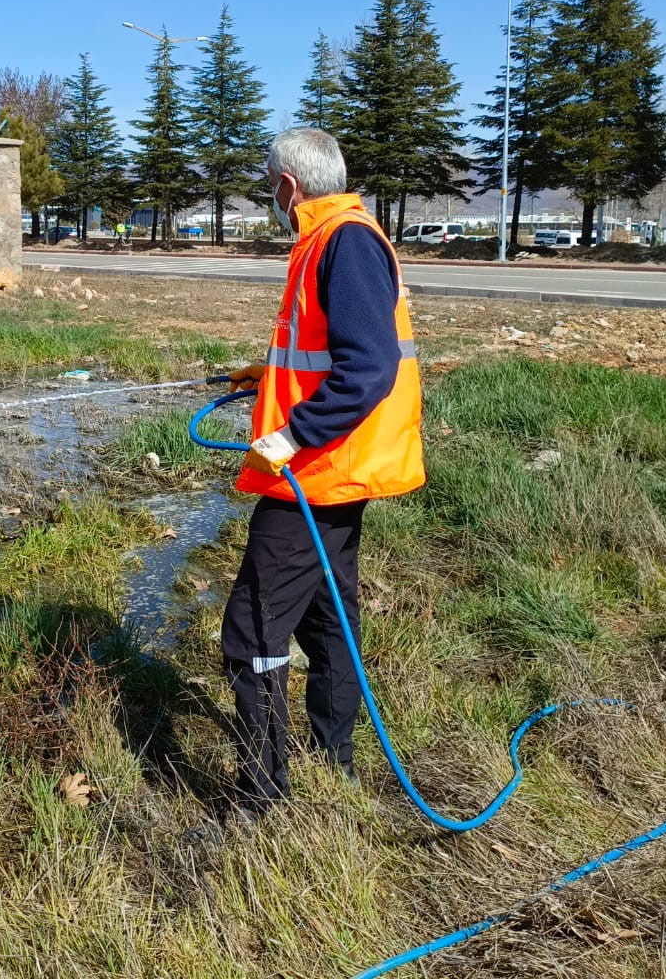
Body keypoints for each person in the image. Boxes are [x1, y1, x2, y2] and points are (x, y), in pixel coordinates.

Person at [222, 126, 425, 817]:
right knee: (326, 620)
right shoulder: (331, 236)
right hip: (334, 470)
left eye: (269, 190)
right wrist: (269, 375)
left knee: (251, 632)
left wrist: (288, 437)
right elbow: (328, 354)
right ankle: (331, 763)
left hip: (318, 470)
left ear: (287, 186)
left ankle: (261, 800)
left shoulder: (345, 242)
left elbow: (367, 368)